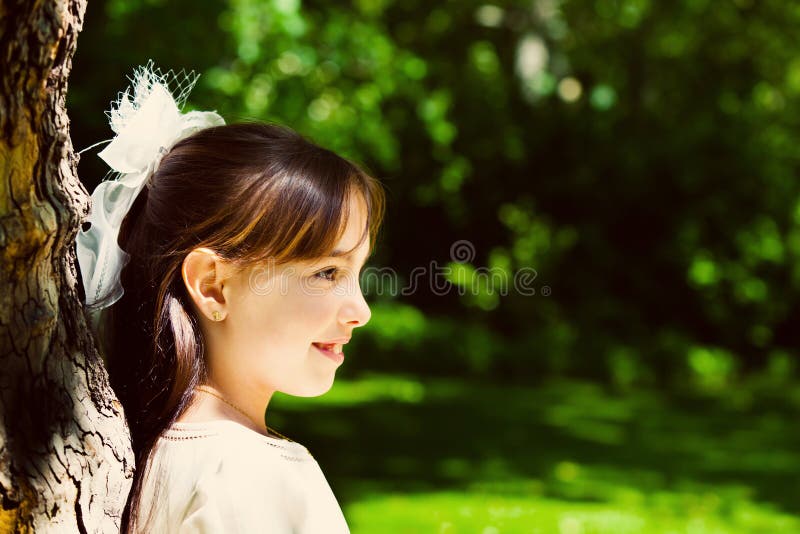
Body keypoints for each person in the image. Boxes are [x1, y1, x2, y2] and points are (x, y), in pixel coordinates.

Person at [75, 63, 385, 533]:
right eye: (326, 272)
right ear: (213, 286)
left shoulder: (145, 456)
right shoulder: (254, 477)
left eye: (357, 274)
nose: (360, 311)